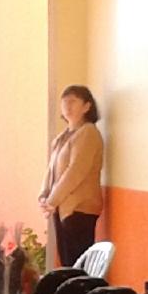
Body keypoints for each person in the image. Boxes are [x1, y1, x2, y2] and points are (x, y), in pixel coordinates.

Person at [40, 84, 105, 269]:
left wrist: (52, 200)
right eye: (64, 102)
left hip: (80, 209)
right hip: (61, 208)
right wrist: (44, 196)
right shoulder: (62, 137)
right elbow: (52, 169)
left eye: (73, 101)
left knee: (78, 266)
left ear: (87, 106)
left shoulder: (88, 132)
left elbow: (75, 171)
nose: (67, 106)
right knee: (67, 264)